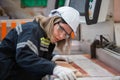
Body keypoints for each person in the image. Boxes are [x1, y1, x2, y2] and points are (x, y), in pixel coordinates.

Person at [0, 6, 80, 80]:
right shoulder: (32, 30)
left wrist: (52, 57)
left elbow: (34, 53)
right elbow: (24, 57)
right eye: (61, 29)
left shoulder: (45, 36)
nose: (61, 36)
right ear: (53, 21)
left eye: (66, 34)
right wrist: (54, 68)